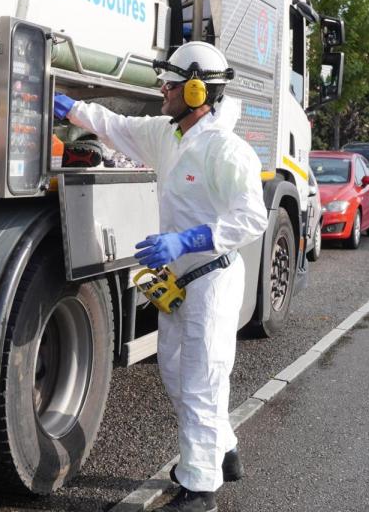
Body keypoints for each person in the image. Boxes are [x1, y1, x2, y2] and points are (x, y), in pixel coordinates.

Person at [53, 41, 268, 512]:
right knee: (177, 375)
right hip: (178, 283)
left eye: (169, 84)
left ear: (196, 91)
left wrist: (188, 241)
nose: (161, 90)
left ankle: (200, 489)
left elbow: (253, 219)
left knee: (201, 383)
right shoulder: (168, 134)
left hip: (211, 278)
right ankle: (223, 452)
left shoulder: (226, 150)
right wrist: (72, 109)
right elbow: (117, 127)